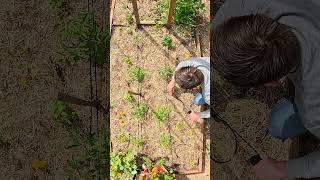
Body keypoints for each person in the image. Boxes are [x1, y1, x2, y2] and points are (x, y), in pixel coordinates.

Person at [212, 0, 320, 179]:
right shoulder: (254, 4)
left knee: (278, 125)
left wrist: (285, 170)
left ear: (272, 83)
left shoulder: (314, 110)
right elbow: (218, 28)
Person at [166, 57, 210, 123]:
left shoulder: (207, 95)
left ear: (192, 88)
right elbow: (181, 64)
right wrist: (172, 81)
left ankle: (198, 94)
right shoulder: (195, 62)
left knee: (197, 101)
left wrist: (199, 115)